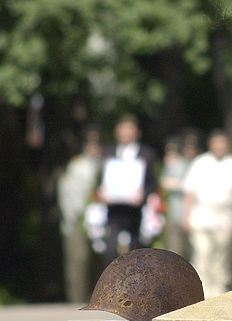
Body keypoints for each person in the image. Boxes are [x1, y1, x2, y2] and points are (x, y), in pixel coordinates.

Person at [182, 130, 232, 299]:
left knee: (221, 260)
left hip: (225, 221)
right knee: (202, 254)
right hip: (201, 219)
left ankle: (218, 295)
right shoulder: (200, 163)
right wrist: (186, 215)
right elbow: (189, 192)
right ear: (211, 144)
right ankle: (201, 293)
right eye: (216, 143)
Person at [96, 114, 157, 267]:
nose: (126, 133)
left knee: (135, 251)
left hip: (136, 212)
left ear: (137, 132)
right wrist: (102, 192)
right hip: (114, 211)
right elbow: (99, 181)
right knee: (111, 249)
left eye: (129, 129)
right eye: (123, 129)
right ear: (117, 132)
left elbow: (152, 184)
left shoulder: (147, 154)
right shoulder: (108, 153)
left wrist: (143, 195)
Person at [57, 127, 102, 302]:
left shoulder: (104, 164)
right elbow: (68, 194)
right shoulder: (77, 166)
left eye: (96, 143)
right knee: (78, 259)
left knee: (98, 261)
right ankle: (76, 300)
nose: (94, 147)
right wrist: (71, 219)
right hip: (77, 219)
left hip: (100, 220)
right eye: (90, 143)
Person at [160, 131, 199, 260]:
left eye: (193, 146)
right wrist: (185, 186)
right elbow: (165, 182)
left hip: (196, 220)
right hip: (176, 217)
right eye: (187, 146)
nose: (189, 149)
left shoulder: (199, 164)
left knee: (194, 257)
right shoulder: (174, 164)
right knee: (174, 255)